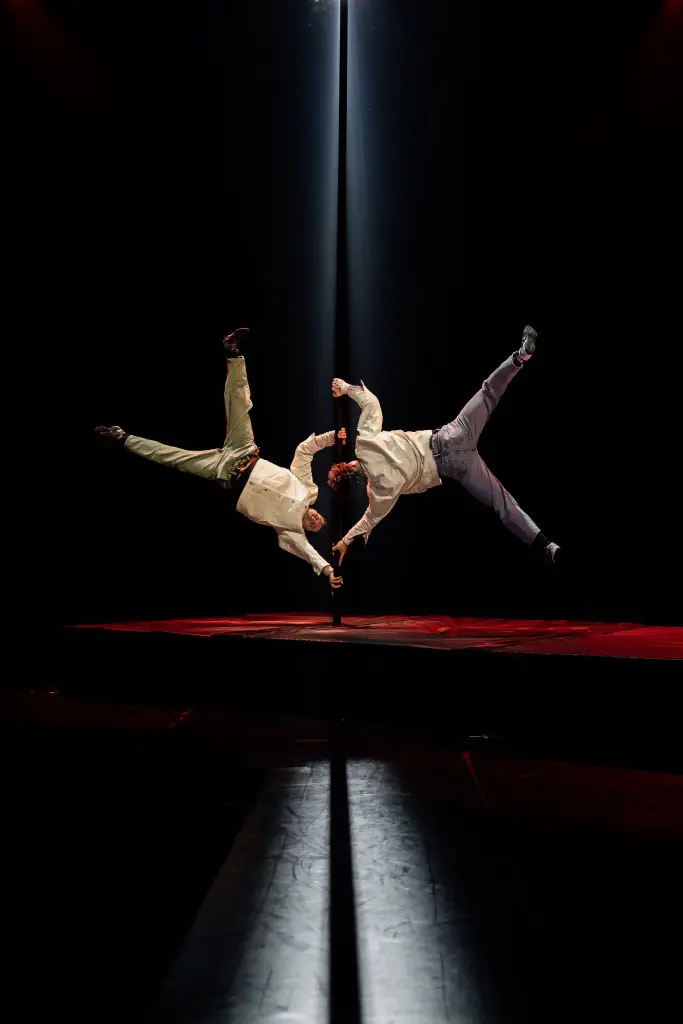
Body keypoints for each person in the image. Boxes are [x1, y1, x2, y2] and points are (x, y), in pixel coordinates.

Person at [95, 329, 343, 589]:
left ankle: (122, 438)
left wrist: (327, 571)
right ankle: (232, 351)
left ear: (308, 530)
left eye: (314, 527)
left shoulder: (290, 531)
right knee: (239, 402)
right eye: (318, 518)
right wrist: (331, 438)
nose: (315, 521)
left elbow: (307, 552)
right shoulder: (308, 491)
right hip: (245, 451)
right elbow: (304, 451)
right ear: (317, 512)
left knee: (172, 457)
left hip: (226, 473)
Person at [330, 326, 559, 566]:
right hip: (451, 436)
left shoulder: (379, 495)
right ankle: (521, 356)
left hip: (455, 466)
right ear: (350, 465)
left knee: (501, 502)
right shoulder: (364, 445)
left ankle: (546, 545)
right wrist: (345, 388)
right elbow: (371, 403)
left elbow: (368, 520)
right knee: (488, 392)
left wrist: (345, 541)